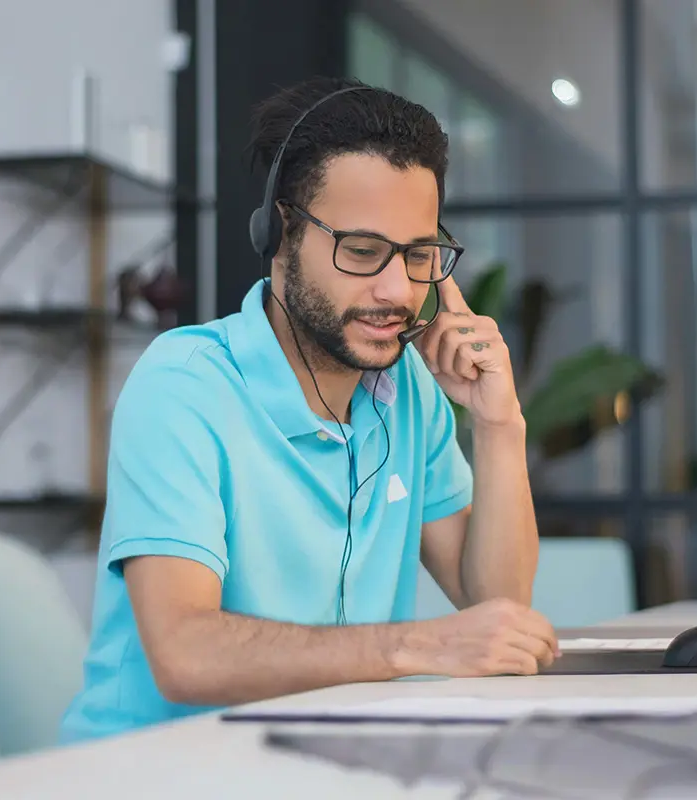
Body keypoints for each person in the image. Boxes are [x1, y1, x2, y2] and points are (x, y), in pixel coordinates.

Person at [60, 77, 557, 743]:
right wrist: (417, 648)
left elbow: (496, 607)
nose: (397, 290)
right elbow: (186, 654)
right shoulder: (184, 386)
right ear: (281, 233)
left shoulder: (407, 389)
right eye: (361, 251)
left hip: (313, 765)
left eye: (417, 255)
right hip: (153, 773)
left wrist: (499, 424)